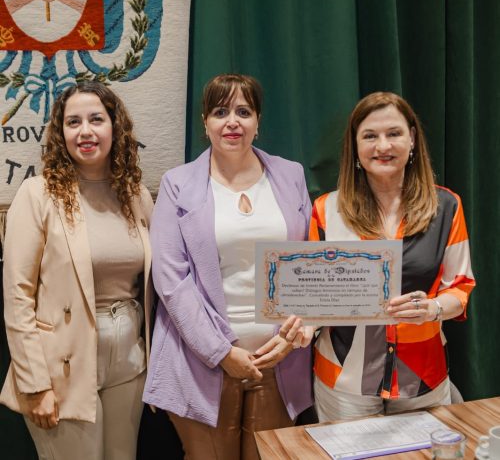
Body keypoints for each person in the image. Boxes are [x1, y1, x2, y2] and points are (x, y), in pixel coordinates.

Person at [143, 73, 314, 459]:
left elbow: (307, 263)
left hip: (279, 361)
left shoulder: (291, 176)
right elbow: (171, 281)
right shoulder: (177, 183)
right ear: (205, 122)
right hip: (201, 362)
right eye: (221, 112)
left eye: (243, 111)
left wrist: (291, 336)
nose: (232, 121)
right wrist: (221, 352)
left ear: (258, 121)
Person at [0, 81, 154, 460]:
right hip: (60, 365)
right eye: (73, 122)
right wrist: (34, 384)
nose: (85, 131)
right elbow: (17, 295)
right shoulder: (37, 194)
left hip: (130, 359)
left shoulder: (136, 194)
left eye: (96, 119)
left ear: (115, 127)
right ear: (60, 133)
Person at [310, 91, 475, 421]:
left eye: (394, 134)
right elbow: (314, 298)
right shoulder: (326, 211)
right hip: (344, 379)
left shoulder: (447, 207)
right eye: (369, 136)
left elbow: (460, 288)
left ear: (412, 138)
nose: (382, 146)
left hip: (423, 375)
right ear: (355, 146)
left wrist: (433, 308)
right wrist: (303, 323)